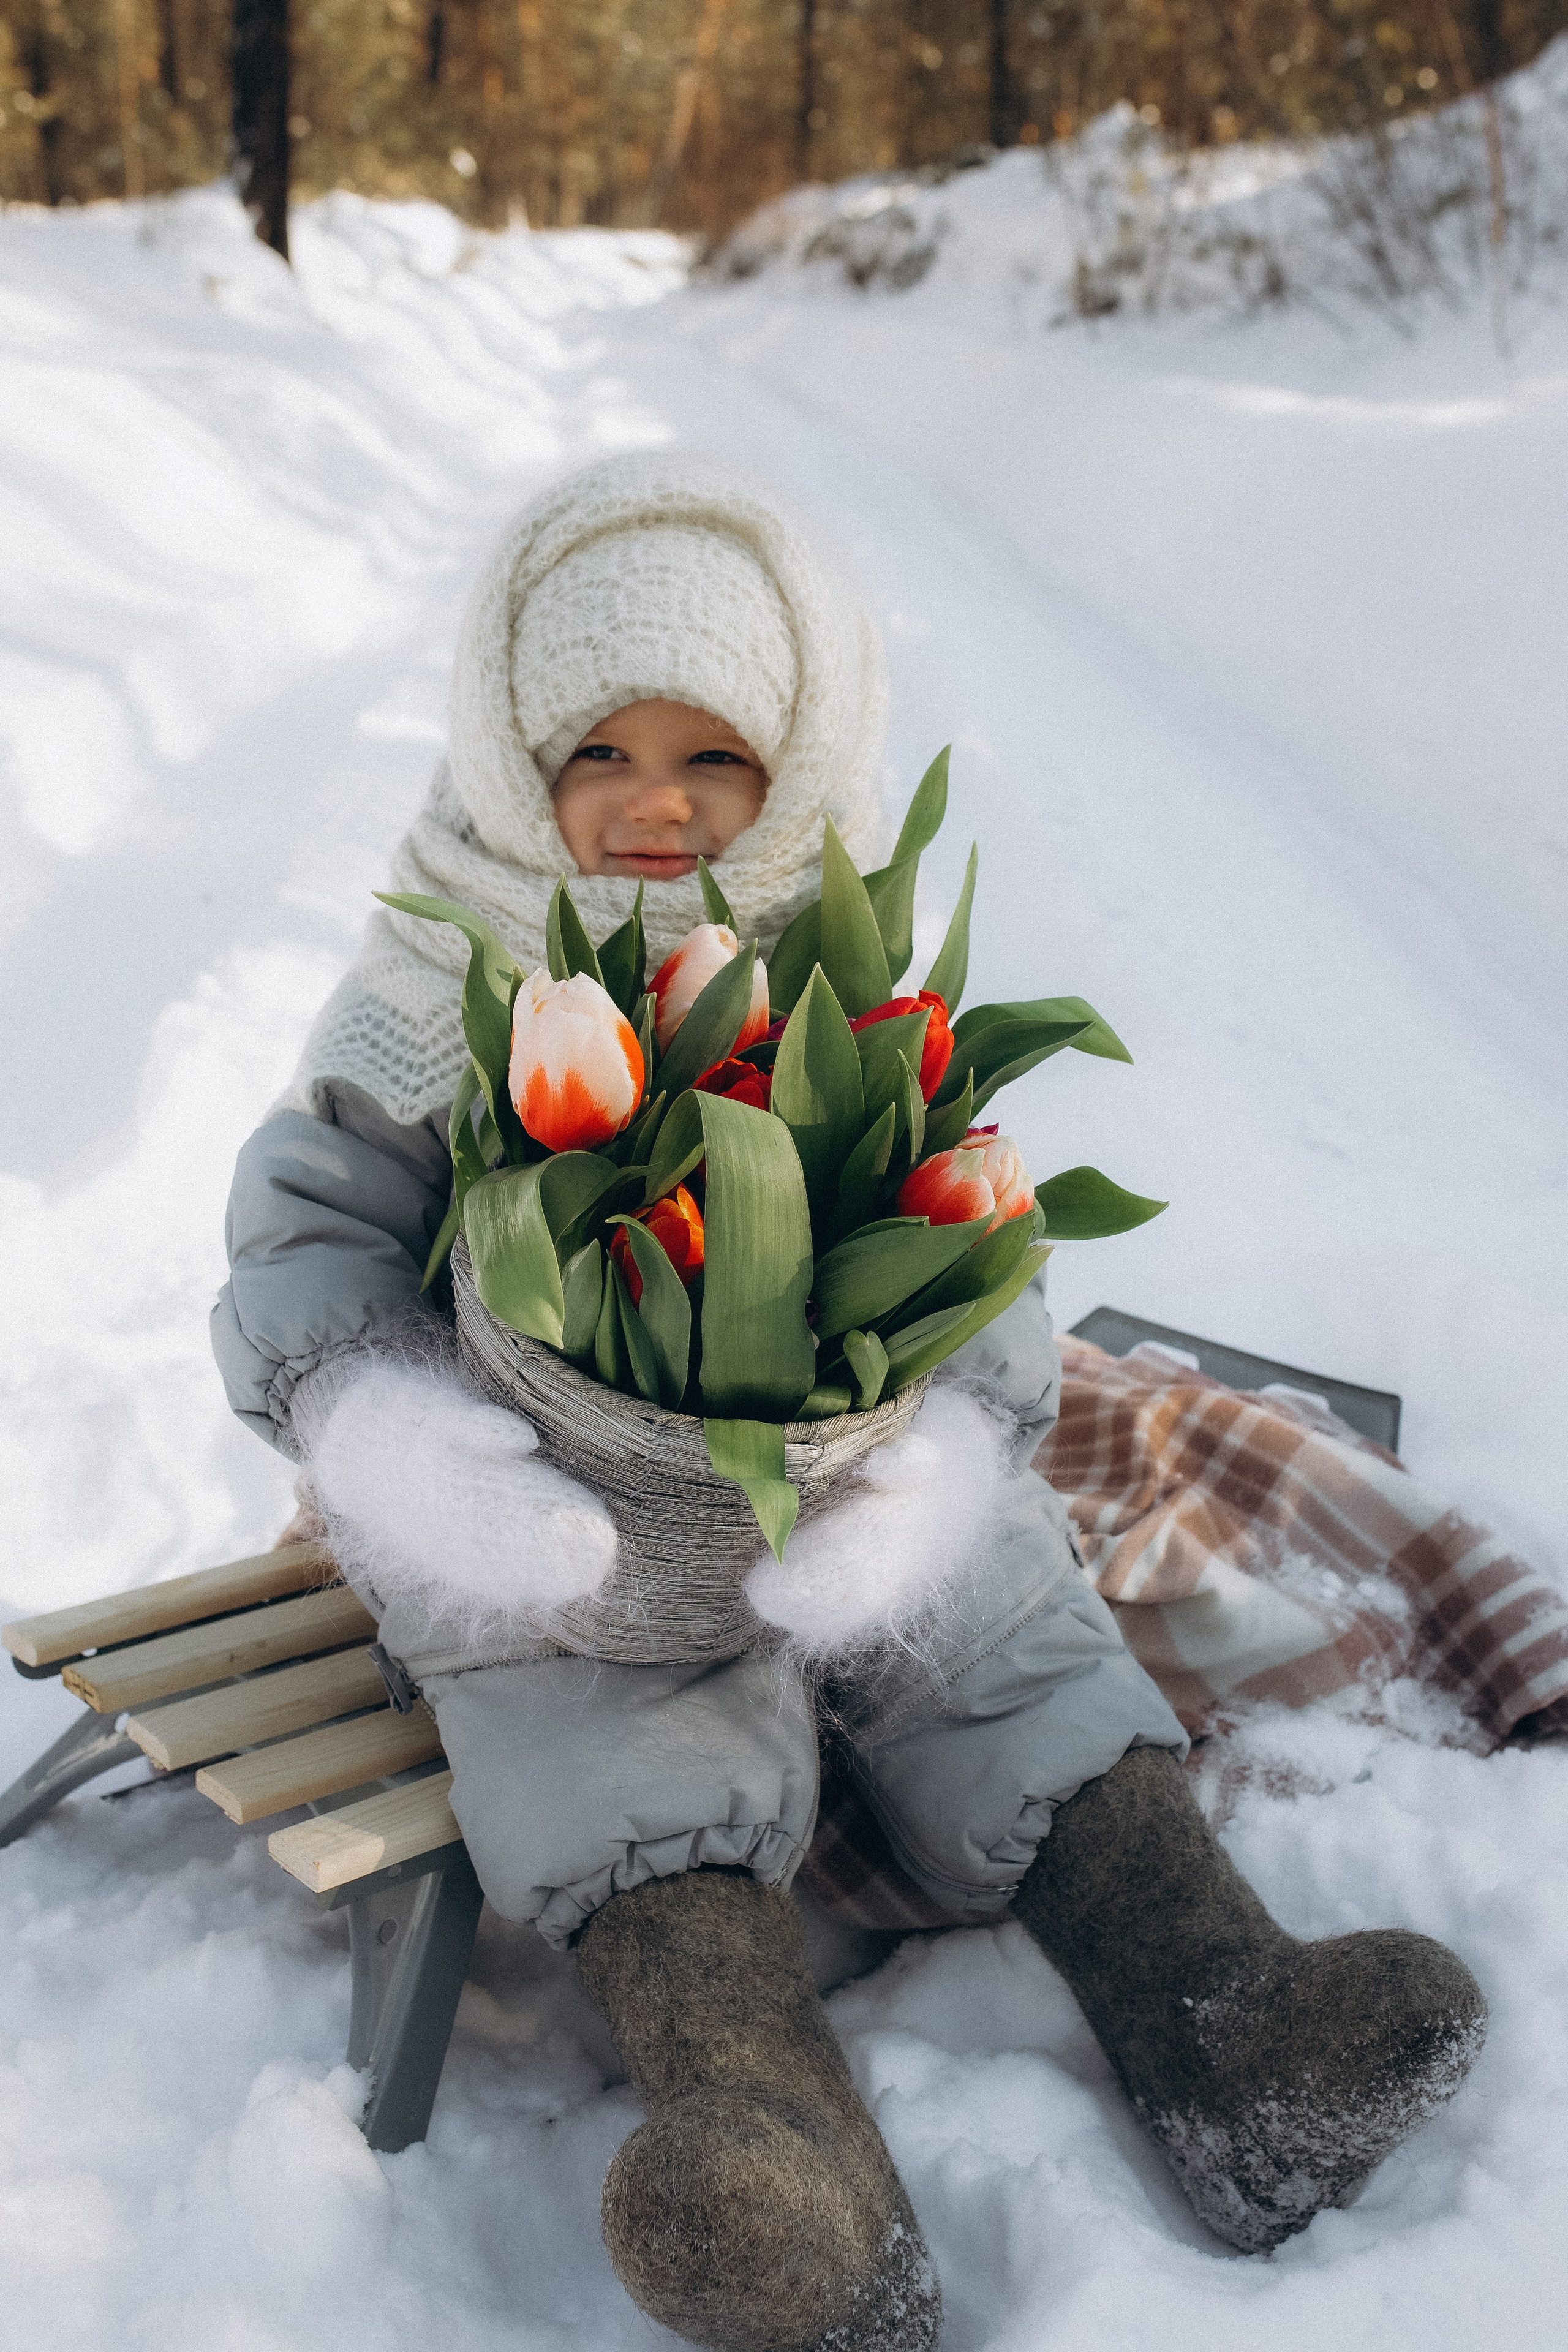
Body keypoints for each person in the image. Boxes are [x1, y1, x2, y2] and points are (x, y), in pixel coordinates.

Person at [213, 453, 1485, 2352]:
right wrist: (394, 1444)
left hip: (834, 1461)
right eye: (601, 752)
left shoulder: (839, 972)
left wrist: (951, 1454)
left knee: (1002, 1613)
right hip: (552, 1498)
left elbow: (971, 1246)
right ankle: (777, 2164)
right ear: (508, 755)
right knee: (586, 1702)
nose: (656, 802)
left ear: (791, 764)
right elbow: (305, 1250)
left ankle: (1229, 2027)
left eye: (713, 757)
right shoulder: (429, 981)